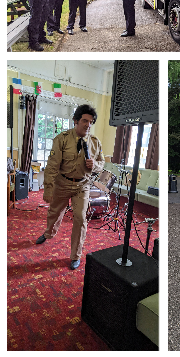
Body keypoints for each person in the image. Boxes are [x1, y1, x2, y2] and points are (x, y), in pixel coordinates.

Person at [36, 102, 104, 270]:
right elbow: (52, 166)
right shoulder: (62, 139)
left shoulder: (95, 143)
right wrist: (48, 188)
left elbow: (101, 164)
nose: (88, 125)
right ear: (76, 121)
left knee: (80, 218)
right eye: (85, 121)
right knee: (54, 212)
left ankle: (75, 255)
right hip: (62, 183)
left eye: (91, 122)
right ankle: (49, 232)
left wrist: (94, 165)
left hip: (82, 185)